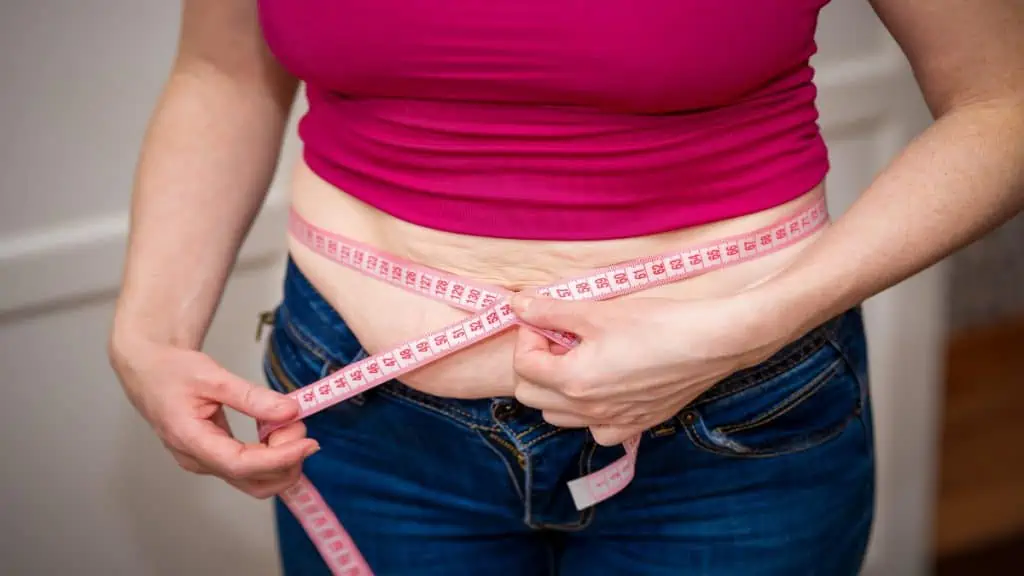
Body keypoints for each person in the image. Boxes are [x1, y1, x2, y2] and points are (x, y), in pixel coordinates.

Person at [108, 0, 1024, 574]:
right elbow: (222, 72)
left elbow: (1004, 100)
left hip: (736, 411)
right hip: (361, 418)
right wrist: (148, 331)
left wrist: (749, 328)